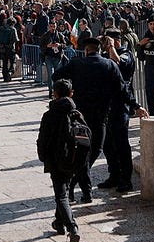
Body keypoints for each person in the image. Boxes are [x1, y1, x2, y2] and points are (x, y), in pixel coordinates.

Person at [53, 38, 128, 203]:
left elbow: (56, 76)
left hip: (80, 117)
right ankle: (81, 188)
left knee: (82, 152)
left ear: (86, 50)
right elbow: (122, 90)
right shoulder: (109, 65)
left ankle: (75, 184)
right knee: (94, 150)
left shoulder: (76, 64)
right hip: (101, 115)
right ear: (99, 50)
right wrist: (134, 106)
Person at [36, 78, 84, 242]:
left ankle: (72, 228)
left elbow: (42, 140)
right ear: (71, 94)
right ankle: (59, 223)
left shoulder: (49, 115)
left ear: (54, 94)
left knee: (61, 195)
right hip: (73, 160)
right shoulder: (76, 113)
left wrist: (43, 157)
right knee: (63, 189)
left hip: (56, 160)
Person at [99, 30, 148, 193]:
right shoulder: (106, 54)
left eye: (111, 41)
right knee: (108, 144)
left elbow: (118, 63)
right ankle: (113, 175)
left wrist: (112, 47)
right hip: (107, 104)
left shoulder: (126, 54)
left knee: (121, 144)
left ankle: (126, 179)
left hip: (121, 103)